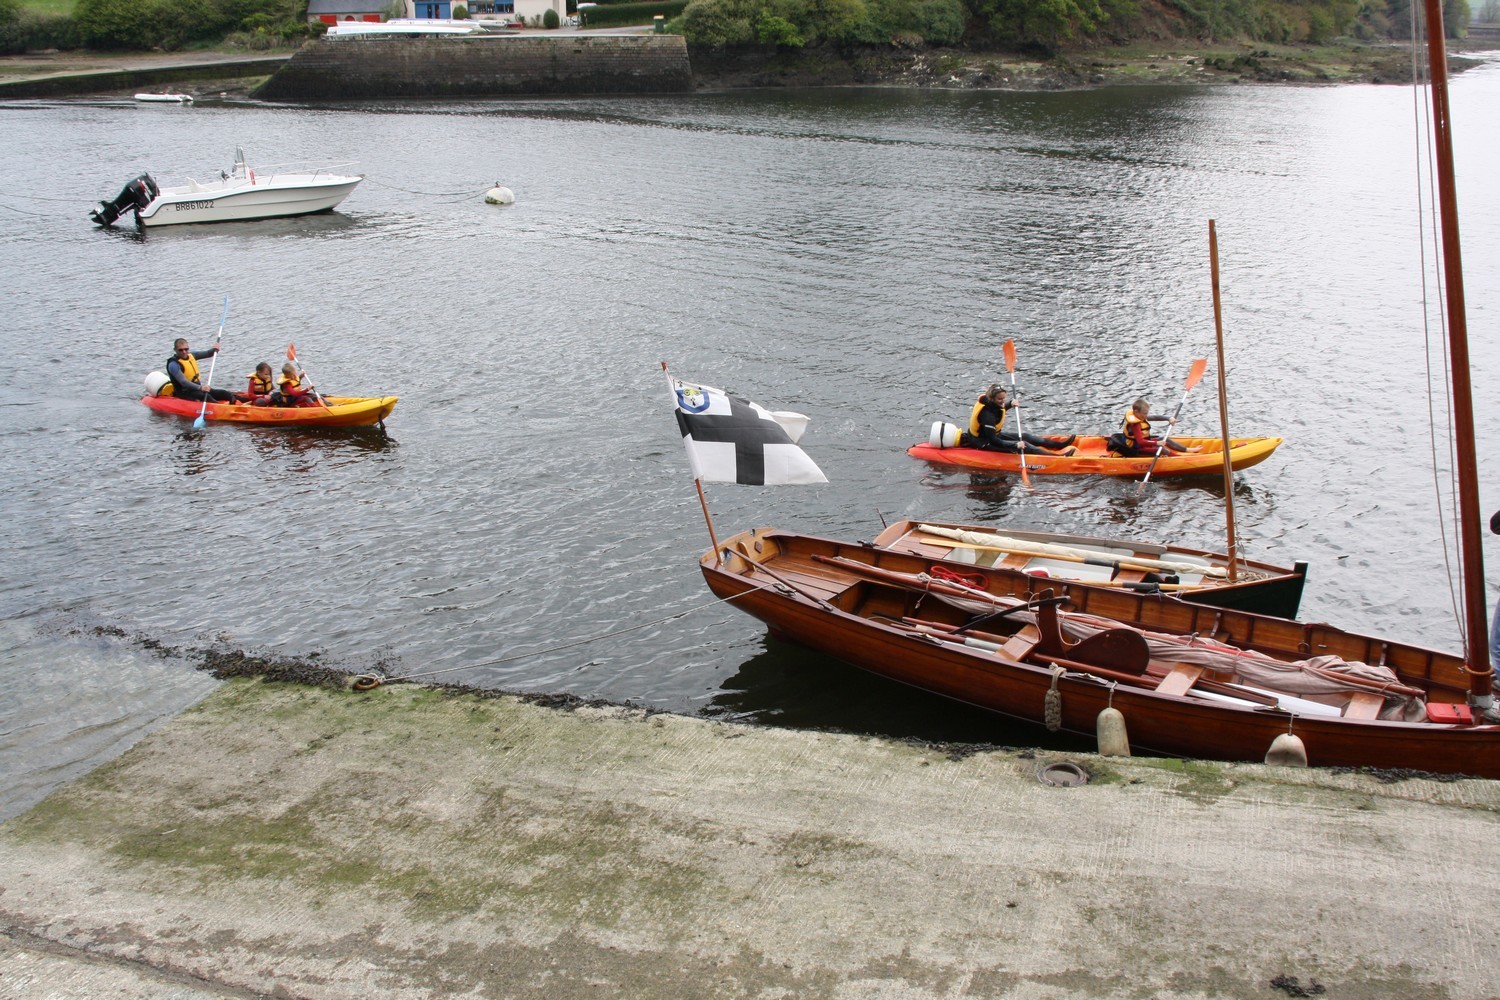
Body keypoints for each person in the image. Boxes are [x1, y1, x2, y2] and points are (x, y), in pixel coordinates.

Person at [965, 384, 1076, 456]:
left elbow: (999, 408)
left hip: (994, 436)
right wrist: (1015, 445)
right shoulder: (987, 416)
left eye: (1004, 398)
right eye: (1000, 399)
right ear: (992, 398)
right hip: (985, 442)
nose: (1002, 401)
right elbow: (993, 440)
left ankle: (1060, 445)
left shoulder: (992, 404)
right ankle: (1059, 457)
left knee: (1027, 437)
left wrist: (1010, 404)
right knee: (1025, 445)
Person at [1110, 398, 1201, 456]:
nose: (1147, 415)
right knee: (1161, 449)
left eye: (1147, 413)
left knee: (1165, 439)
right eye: (1145, 413)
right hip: (1135, 447)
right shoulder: (1135, 424)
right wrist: (1157, 443)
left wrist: (1169, 418)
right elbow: (1141, 442)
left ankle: (1188, 450)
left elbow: (1155, 417)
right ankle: (1180, 459)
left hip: (1143, 443)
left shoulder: (1140, 416)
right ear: (1136, 412)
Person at [164, 338, 243, 404]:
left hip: (197, 389)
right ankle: (222, 408)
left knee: (224, 393)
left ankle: (249, 401)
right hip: (185, 393)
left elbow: (208, 353)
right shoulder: (173, 364)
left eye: (186, 349)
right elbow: (183, 382)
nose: (184, 352)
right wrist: (201, 388)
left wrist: (215, 349)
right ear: (175, 350)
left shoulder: (192, 355)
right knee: (207, 396)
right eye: (180, 350)